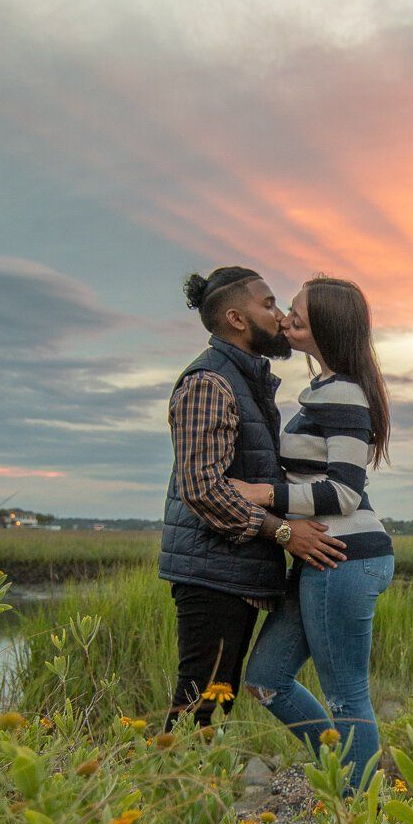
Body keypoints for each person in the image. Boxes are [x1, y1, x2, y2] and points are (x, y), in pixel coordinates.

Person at [158, 265, 346, 729]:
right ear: (236, 319)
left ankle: (191, 796)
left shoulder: (246, 379)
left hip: (231, 570)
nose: (279, 315)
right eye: (268, 305)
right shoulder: (210, 382)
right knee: (196, 708)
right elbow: (202, 487)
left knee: (212, 705)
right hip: (212, 573)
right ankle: (168, 796)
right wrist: (283, 532)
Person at [234, 274, 394, 787]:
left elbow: (344, 492)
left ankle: (358, 803)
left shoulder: (344, 392)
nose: (287, 317)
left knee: (346, 692)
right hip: (319, 556)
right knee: (265, 679)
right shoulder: (324, 390)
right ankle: (343, 774)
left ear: (326, 322)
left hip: (346, 555)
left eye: (297, 312)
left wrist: (264, 495)